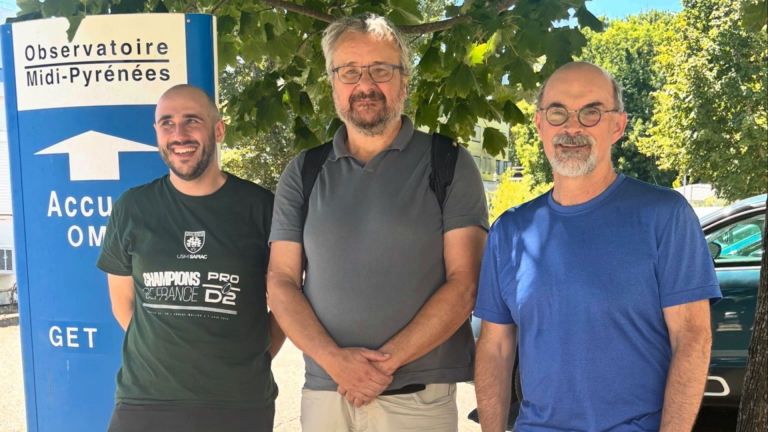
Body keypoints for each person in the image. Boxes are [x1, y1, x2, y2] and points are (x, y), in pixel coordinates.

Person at [267, 13, 489, 432]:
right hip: (326, 394)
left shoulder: (448, 163)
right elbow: (280, 280)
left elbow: (466, 283)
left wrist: (382, 365)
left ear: (405, 81)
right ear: (333, 82)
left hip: (418, 400)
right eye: (349, 71)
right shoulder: (304, 171)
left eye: (381, 70)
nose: (365, 84)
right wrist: (336, 363)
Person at [474, 62, 722, 432]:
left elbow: (692, 339)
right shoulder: (510, 231)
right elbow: (495, 348)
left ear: (617, 126)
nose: (572, 127)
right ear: (540, 124)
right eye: (558, 112)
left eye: (591, 112)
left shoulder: (665, 216)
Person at [97, 84, 283, 432]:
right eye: (166, 123)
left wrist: (250, 360)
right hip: (145, 401)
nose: (178, 134)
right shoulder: (132, 209)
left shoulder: (261, 208)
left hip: (238, 403)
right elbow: (123, 305)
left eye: (191, 121)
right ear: (156, 133)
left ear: (218, 129)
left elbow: (287, 299)